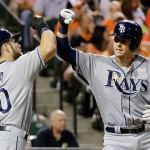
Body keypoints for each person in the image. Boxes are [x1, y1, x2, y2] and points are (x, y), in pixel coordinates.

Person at [57, 9, 150, 149]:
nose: (118, 43)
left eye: (124, 40)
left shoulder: (148, 67)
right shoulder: (97, 64)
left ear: (135, 44)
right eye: (116, 39)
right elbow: (64, 52)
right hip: (115, 139)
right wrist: (63, 27)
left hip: (146, 137)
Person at [0, 16, 56, 150]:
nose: (19, 43)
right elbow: (50, 48)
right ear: (6, 47)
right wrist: (42, 26)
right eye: (14, 41)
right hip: (10, 138)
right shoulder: (19, 66)